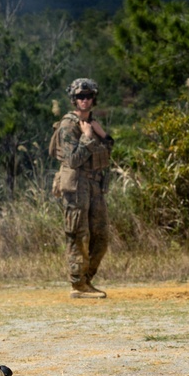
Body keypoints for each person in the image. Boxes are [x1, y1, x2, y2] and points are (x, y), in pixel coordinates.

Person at [51, 77, 114, 299]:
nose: (84, 100)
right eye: (80, 97)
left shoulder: (92, 123)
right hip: (76, 185)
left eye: (88, 97)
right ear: (73, 99)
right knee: (78, 234)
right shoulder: (69, 125)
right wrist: (87, 138)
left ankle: (87, 281)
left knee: (101, 235)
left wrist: (102, 134)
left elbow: (107, 152)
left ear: (93, 98)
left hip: (94, 185)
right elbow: (73, 160)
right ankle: (78, 285)